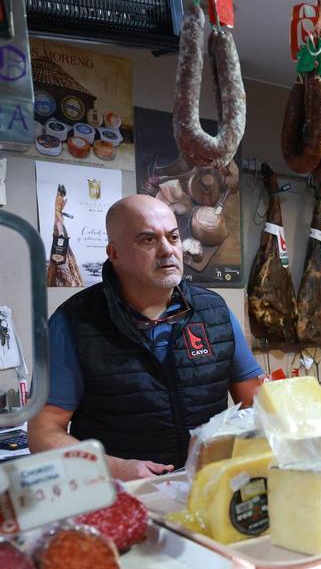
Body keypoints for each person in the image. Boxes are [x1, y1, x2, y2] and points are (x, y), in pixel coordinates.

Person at [30, 195, 263, 480]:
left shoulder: (214, 312)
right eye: (148, 240)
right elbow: (43, 435)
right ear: (114, 253)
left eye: (173, 237)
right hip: (120, 495)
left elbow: (255, 404)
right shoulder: (74, 322)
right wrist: (115, 468)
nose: (167, 250)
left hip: (208, 486)